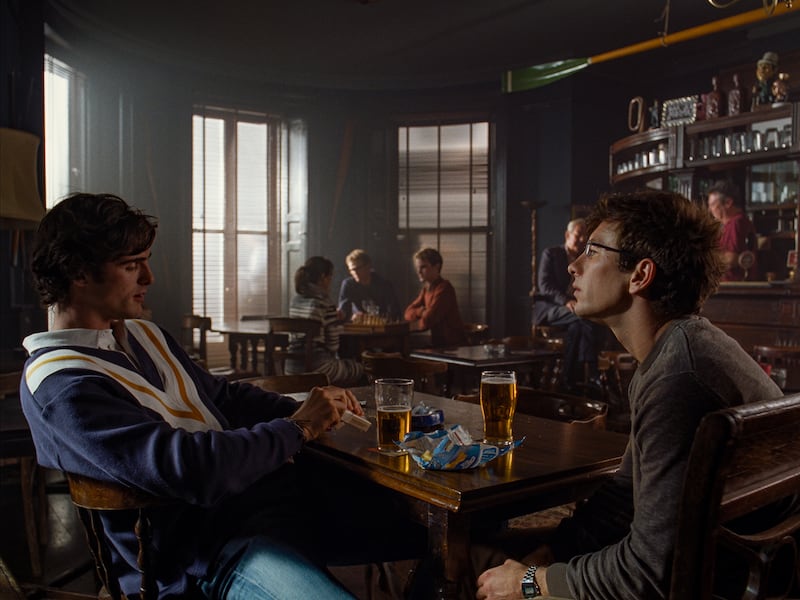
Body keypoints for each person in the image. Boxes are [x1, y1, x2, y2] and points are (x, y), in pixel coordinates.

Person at [19, 193, 366, 599]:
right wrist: (299, 427)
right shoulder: (60, 384)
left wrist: (312, 412)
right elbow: (190, 468)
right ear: (78, 272)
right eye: (132, 265)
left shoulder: (143, 334)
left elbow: (224, 397)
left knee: (442, 529)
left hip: (266, 510)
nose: (149, 278)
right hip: (201, 559)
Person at [472, 190, 786, 600]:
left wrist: (531, 583)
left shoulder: (679, 376)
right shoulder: (677, 351)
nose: (573, 265)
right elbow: (622, 498)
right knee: (482, 557)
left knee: (455, 565)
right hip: (727, 565)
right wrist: (550, 553)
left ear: (640, 275)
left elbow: (647, 572)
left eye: (592, 251)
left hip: (711, 583)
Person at [532, 218, 600, 389]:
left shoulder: (584, 258)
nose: (582, 239)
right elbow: (545, 286)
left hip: (574, 312)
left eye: (585, 236)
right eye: (578, 235)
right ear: (567, 235)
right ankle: (592, 370)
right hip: (551, 308)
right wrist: (566, 301)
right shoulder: (551, 254)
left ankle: (568, 379)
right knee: (583, 317)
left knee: (577, 327)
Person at [289, 256, 365, 386]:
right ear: (323, 278)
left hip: (292, 368)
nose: (331, 281)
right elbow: (333, 346)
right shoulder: (324, 303)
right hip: (319, 369)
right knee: (362, 369)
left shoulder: (295, 301)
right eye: (330, 277)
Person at [403, 247, 467, 347]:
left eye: (423, 267)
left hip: (453, 346)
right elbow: (407, 313)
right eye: (417, 268)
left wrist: (414, 323)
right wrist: (421, 311)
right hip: (438, 344)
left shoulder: (444, 288)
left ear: (436, 267)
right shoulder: (426, 289)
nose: (419, 271)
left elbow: (427, 320)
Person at [707, 180, 758, 281]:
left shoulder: (736, 223)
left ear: (728, 203)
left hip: (733, 286)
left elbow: (731, 259)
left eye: (713, 205)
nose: (710, 210)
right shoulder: (733, 223)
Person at [337, 249, 401, 322]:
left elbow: (394, 311)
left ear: (368, 266)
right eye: (352, 270)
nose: (355, 272)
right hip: (358, 328)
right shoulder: (348, 285)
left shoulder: (384, 285)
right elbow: (343, 309)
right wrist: (347, 316)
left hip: (381, 327)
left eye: (358, 268)